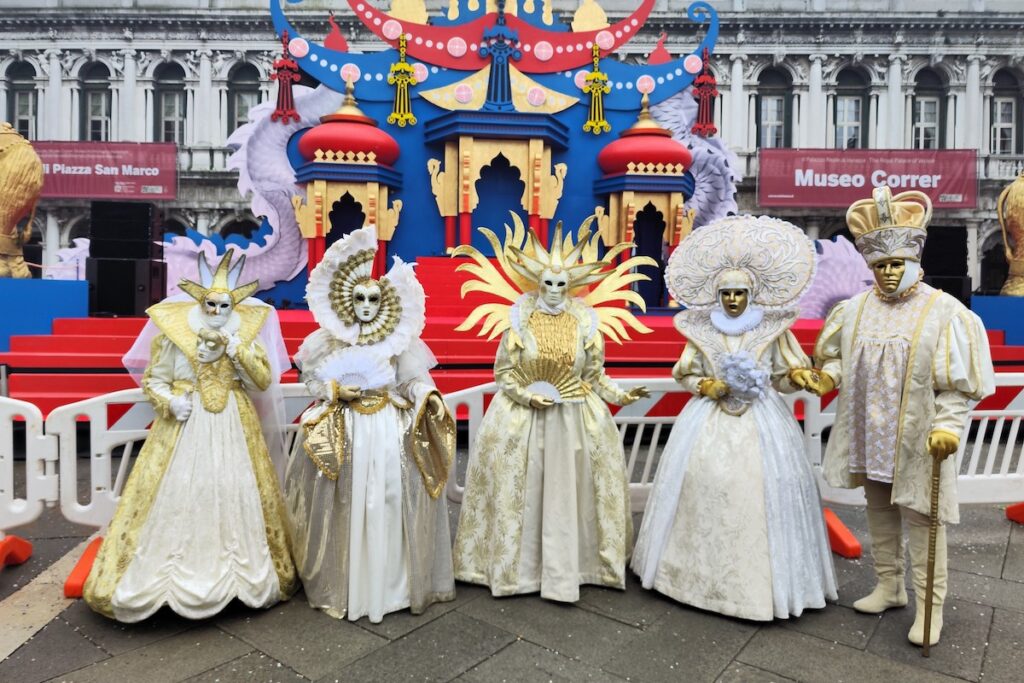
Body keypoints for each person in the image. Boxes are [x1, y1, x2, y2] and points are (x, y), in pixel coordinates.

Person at [801, 186, 994, 647]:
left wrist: (948, 427)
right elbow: (839, 361)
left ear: (914, 261)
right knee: (880, 512)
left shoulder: (944, 313)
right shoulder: (855, 309)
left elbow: (958, 385)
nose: (887, 274)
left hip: (917, 438)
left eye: (895, 265)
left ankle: (930, 608)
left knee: (924, 522)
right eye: (880, 266)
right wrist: (826, 379)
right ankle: (889, 586)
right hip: (872, 434)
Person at [632, 215, 837, 620]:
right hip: (708, 421)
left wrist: (799, 376)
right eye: (725, 293)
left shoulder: (774, 329)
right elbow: (686, 371)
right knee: (701, 484)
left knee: (762, 490)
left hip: (762, 421)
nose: (731, 300)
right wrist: (708, 386)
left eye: (739, 293)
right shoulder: (702, 328)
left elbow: (784, 372)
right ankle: (691, 577)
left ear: (752, 293)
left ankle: (761, 587)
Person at [83, 250, 297, 621]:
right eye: (210, 304)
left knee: (231, 490)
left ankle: (236, 576)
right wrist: (169, 402)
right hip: (183, 427)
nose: (216, 311)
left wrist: (238, 349)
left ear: (235, 304)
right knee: (182, 491)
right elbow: (155, 378)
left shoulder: (245, 336)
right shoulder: (174, 337)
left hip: (234, 424)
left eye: (224, 305)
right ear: (200, 301)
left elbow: (263, 380)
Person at [452, 214, 651, 602]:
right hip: (521, 420)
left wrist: (620, 395)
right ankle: (516, 571)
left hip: (577, 419)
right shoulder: (519, 321)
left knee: (572, 492)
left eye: (562, 283)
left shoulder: (585, 323)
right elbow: (503, 373)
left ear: (572, 285)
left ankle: (576, 567)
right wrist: (527, 396)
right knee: (521, 490)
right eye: (549, 283)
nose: (556, 290)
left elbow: (594, 374)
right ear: (537, 283)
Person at [284, 225, 456, 623]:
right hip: (344, 426)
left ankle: (392, 584)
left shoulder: (400, 342)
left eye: (373, 298)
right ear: (347, 300)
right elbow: (311, 378)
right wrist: (332, 390)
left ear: (386, 302)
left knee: (392, 497)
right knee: (343, 499)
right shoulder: (327, 342)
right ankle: (345, 581)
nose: (365, 305)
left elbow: (412, 380)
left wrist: (423, 395)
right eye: (358, 297)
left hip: (389, 428)